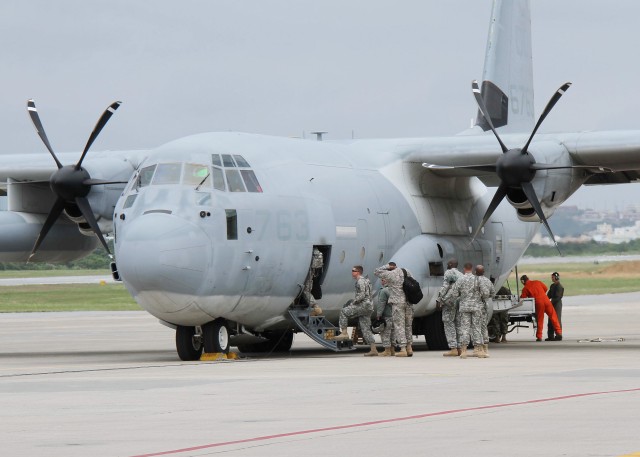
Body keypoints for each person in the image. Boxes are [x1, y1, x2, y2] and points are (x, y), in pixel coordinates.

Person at [451, 263, 494, 358]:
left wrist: (462, 298)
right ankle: (478, 349)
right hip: (476, 307)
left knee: (465, 328)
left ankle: (464, 351)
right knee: (477, 327)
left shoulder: (460, 279)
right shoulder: (478, 279)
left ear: (464, 269)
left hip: (464, 307)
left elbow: (454, 294)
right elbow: (486, 294)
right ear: (472, 270)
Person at [334, 265, 378, 356]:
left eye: (353, 270)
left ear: (358, 272)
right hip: (368, 306)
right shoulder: (366, 280)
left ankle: (344, 333)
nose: (352, 272)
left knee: (344, 311)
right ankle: (373, 349)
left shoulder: (360, 281)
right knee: (365, 328)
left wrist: (354, 302)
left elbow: (361, 295)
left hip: (363, 305)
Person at [374, 261, 413, 357]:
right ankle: (409, 347)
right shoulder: (407, 271)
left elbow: (376, 271)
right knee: (408, 326)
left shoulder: (391, 274)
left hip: (398, 303)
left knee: (399, 326)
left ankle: (403, 349)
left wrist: (387, 266)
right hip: (409, 303)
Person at [520, 275, 563, 342]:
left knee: (540, 320)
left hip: (538, 303)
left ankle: (539, 336)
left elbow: (523, 298)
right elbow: (545, 288)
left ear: (523, 281)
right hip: (546, 300)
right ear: (528, 278)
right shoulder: (537, 282)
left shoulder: (525, 288)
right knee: (553, 316)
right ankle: (559, 333)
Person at [437, 258, 463, 356]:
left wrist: (439, 299)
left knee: (448, 323)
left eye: (448, 263)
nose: (447, 265)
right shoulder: (461, 275)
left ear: (451, 264)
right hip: (458, 302)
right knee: (458, 324)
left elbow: (445, 286)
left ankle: (453, 348)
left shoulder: (449, 272)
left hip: (449, 302)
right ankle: (459, 347)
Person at [475, 265, 495, 357]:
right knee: (484, 326)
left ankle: (478, 348)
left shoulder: (473, 280)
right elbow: (493, 293)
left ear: (475, 271)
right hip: (485, 306)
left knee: (475, 326)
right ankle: (485, 347)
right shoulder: (487, 281)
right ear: (483, 272)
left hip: (475, 306)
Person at [374, 278, 394, 356]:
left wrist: (378, 315)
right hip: (394, 315)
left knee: (385, 333)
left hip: (387, 315)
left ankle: (387, 350)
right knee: (392, 333)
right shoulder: (394, 290)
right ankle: (392, 350)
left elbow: (381, 304)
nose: (381, 282)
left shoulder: (384, 291)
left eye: (383, 280)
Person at [303, 247, 324, 316]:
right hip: (314, 272)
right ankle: (316, 307)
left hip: (310, 272)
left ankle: (315, 307)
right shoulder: (317, 252)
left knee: (306, 291)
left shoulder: (311, 251)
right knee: (308, 289)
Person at [547, 272, 564, 341]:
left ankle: (558, 335)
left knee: (557, 319)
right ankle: (550, 336)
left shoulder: (560, 287)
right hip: (552, 304)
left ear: (556, 277)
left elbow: (558, 297)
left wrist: (550, 302)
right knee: (550, 319)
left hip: (557, 304)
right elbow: (549, 295)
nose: (552, 278)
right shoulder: (552, 286)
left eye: (553, 277)